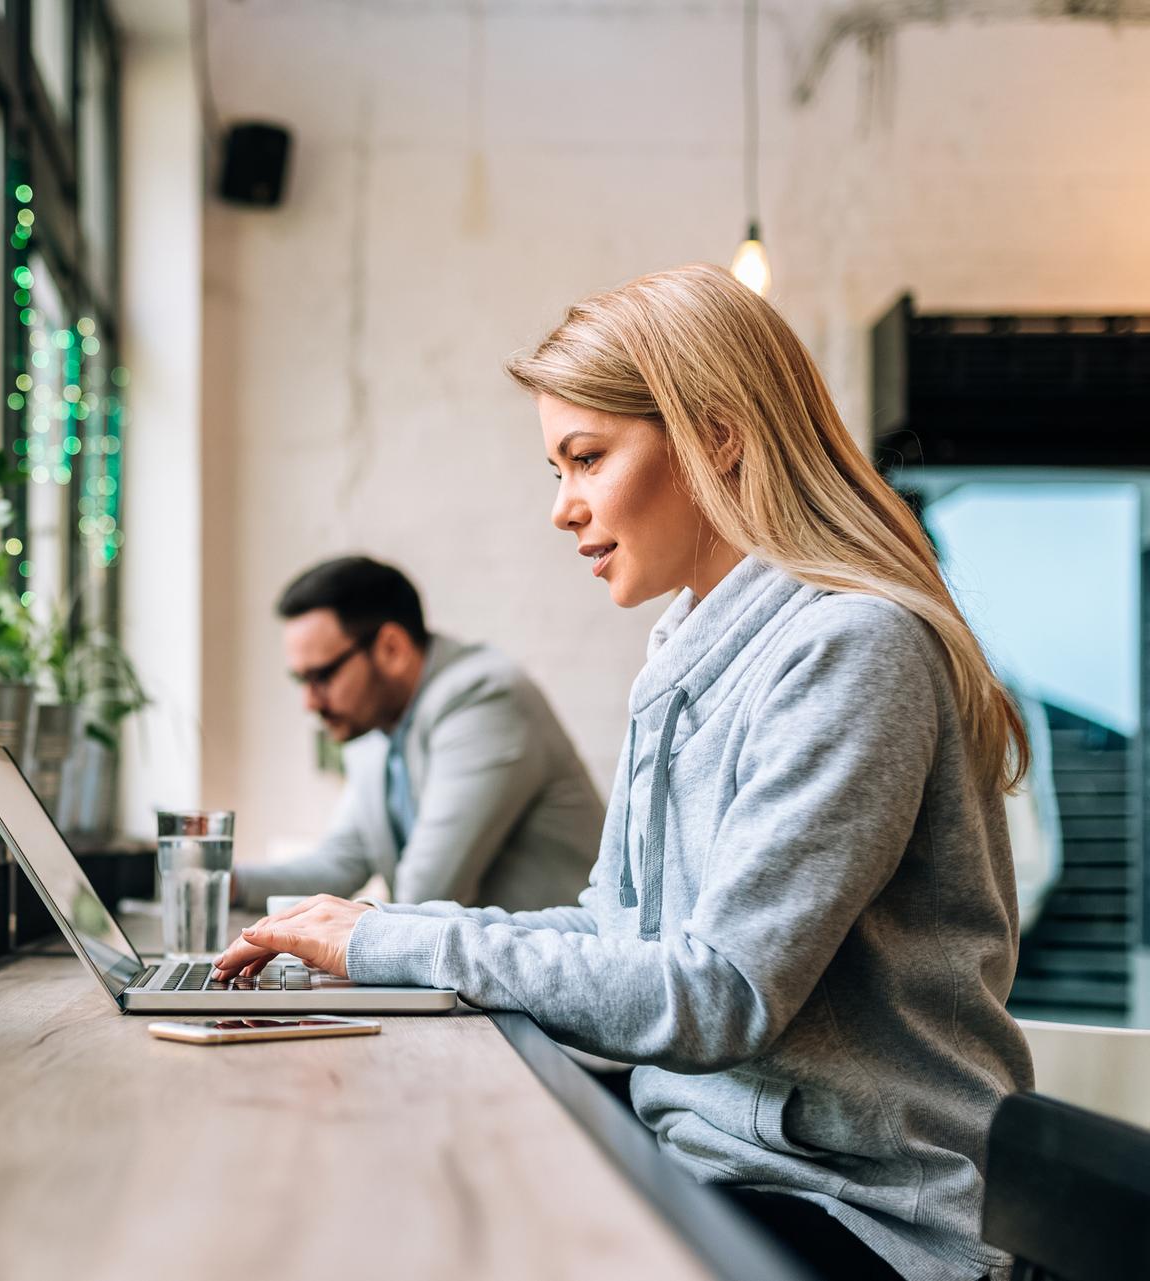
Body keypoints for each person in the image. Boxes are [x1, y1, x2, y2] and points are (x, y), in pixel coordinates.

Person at [214, 264, 1033, 1281]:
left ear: (716, 436)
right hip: (710, 1162)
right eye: (558, 469)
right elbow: (615, 929)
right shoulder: (686, 649)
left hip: (857, 1215)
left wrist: (389, 940)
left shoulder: (853, 647)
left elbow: (722, 992)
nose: (564, 508)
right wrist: (369, 937)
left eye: (587, 459)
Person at [229, 556, 602, 913]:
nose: (309, 703)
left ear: (392, 648)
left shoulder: (483, 700)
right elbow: (338, 866)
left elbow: (428, 895)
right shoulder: (375, 729)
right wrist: (221, 882)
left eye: (322, 677)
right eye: (300, 680)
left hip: (560, 969)